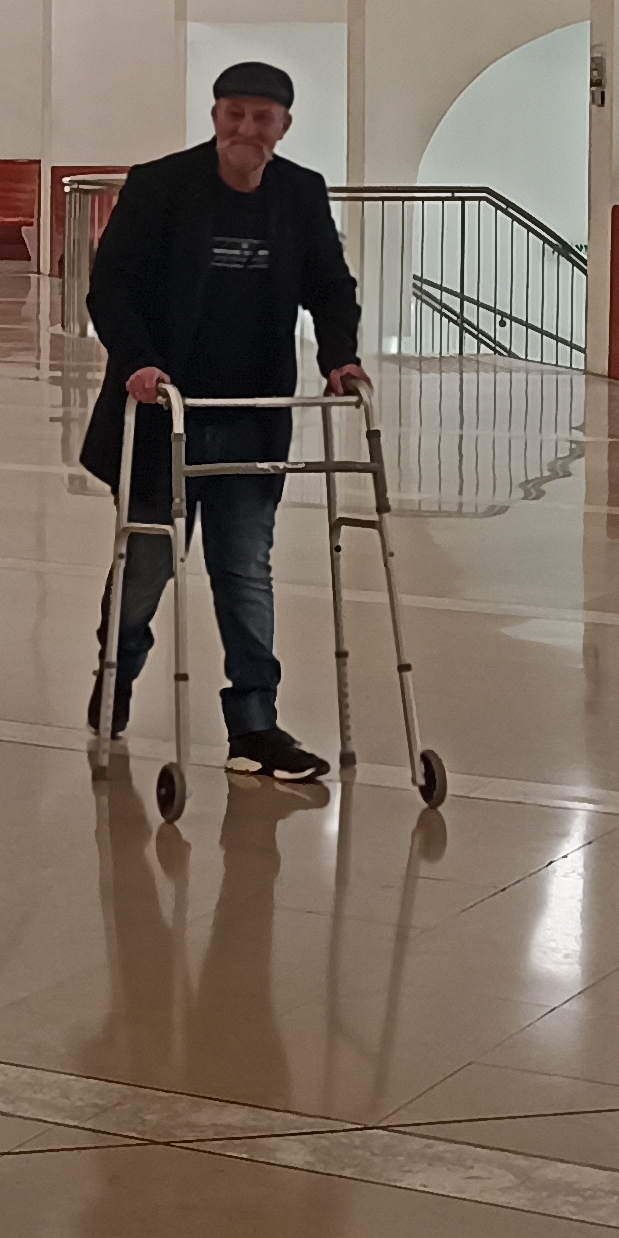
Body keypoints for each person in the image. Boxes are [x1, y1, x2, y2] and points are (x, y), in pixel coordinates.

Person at [78, 60, 363, 785]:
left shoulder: (299, 193)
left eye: (262, 117)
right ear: (215, 116)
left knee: (244, 571)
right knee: (145, 569)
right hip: (162, 414)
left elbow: (330, 286)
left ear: (284, 126)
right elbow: (110, 286)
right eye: (234, 113)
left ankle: (255, 725)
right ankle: (115, 679)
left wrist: (340, 357)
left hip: (250, 419)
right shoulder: (161, 185)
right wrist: (137, 361)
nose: (246, 128)